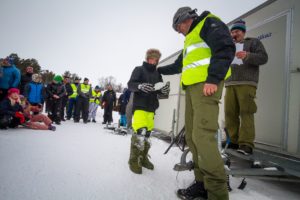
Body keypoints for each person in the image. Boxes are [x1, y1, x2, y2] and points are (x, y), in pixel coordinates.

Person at [157, 7, 235, 200]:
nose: (178, 31)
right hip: (192, 89)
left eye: (178, 27)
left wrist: (213, 79)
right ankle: (201, 184)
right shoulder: (190, 39)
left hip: (206, 86)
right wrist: (156, 70)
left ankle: (217, 193)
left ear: (185, 19)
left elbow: (225, 48)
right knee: (192, 137)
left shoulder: (208, 23)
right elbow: (178, 65)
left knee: (203, 137)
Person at [225, 19, 268, 155]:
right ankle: (233, 141)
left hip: (247, 83)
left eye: (236, 31)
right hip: (230, 83)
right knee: (230, 113)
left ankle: (246, 144)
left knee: (246, 112)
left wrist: (247, 55)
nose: (234, 34)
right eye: (232, 32)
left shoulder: (253, 42)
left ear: (243, 32)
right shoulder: (228, 46)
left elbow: (263, 58)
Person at [127, 49, 170, 174]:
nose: (154, 61)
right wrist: (140, 86)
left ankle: (143, 157)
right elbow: (130, 84)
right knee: (140, 132)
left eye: (156, 60)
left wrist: (164, 90)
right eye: (151, 59)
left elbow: (160, 92)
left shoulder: (157, 74)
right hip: (140, 106)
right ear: (147, 59)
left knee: (147, 134)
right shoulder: (139, 69)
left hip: (151, 108)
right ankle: (134, 161)